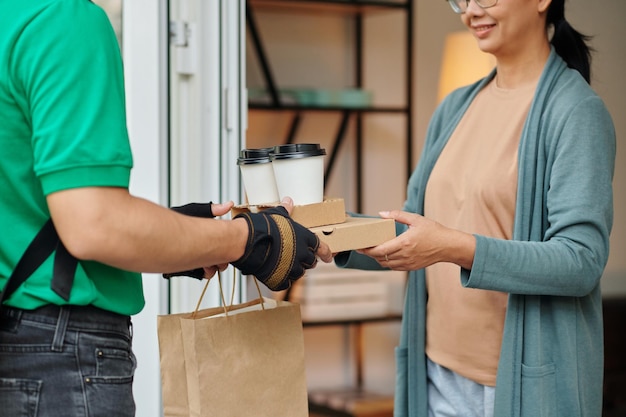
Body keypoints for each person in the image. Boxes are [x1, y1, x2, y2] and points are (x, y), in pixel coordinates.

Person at [0, 1, 331, 416]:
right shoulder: (63, 19)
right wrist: (247, 238)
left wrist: (176, 233)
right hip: (60, 356)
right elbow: (94, 224)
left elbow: (34, 214)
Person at [335, 0, 616, 416]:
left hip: (518, 390)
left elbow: (581, 260)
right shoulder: (454, 108)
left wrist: (454, 247)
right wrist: (327, 232)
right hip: (435, 379)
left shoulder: (575, 112)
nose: (471, 11)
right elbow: (413, 235)